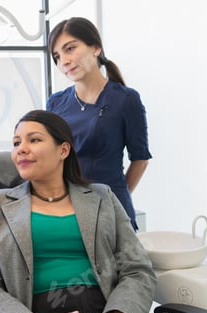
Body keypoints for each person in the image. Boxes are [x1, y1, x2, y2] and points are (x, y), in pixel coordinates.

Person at [0, 110, 162, 313]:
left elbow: (137, 268)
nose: (21, 148)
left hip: (106, 311)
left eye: (34, 139)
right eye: (16, 142)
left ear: (64, 150)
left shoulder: (102, 196)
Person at [46, 17, 152, 231]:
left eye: (70, 49)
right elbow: (51, 159)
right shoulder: (55, 103)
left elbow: (140, 158)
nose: (63, 61)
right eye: (57, 56)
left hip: (110, 212)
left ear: (96, 48)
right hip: (65, 210)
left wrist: (113, 197)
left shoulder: (125, 99)